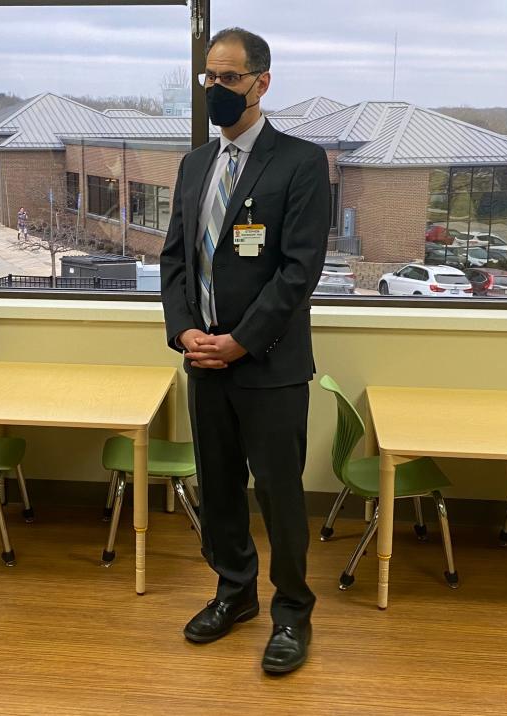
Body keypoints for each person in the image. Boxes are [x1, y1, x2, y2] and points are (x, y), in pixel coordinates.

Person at [159, 27, 330, 673]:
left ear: (261, 81)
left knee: (279, 496)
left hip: (269, 366)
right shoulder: (194, 164)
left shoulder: (300, 162)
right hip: (204, 363)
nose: (215, 90)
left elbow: (299, 269)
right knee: (221, 490)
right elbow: (174, 258)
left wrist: (240, 341)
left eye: (228, 79)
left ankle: (292, 613)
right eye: (208, 78)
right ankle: (234, 595)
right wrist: (185, 333)